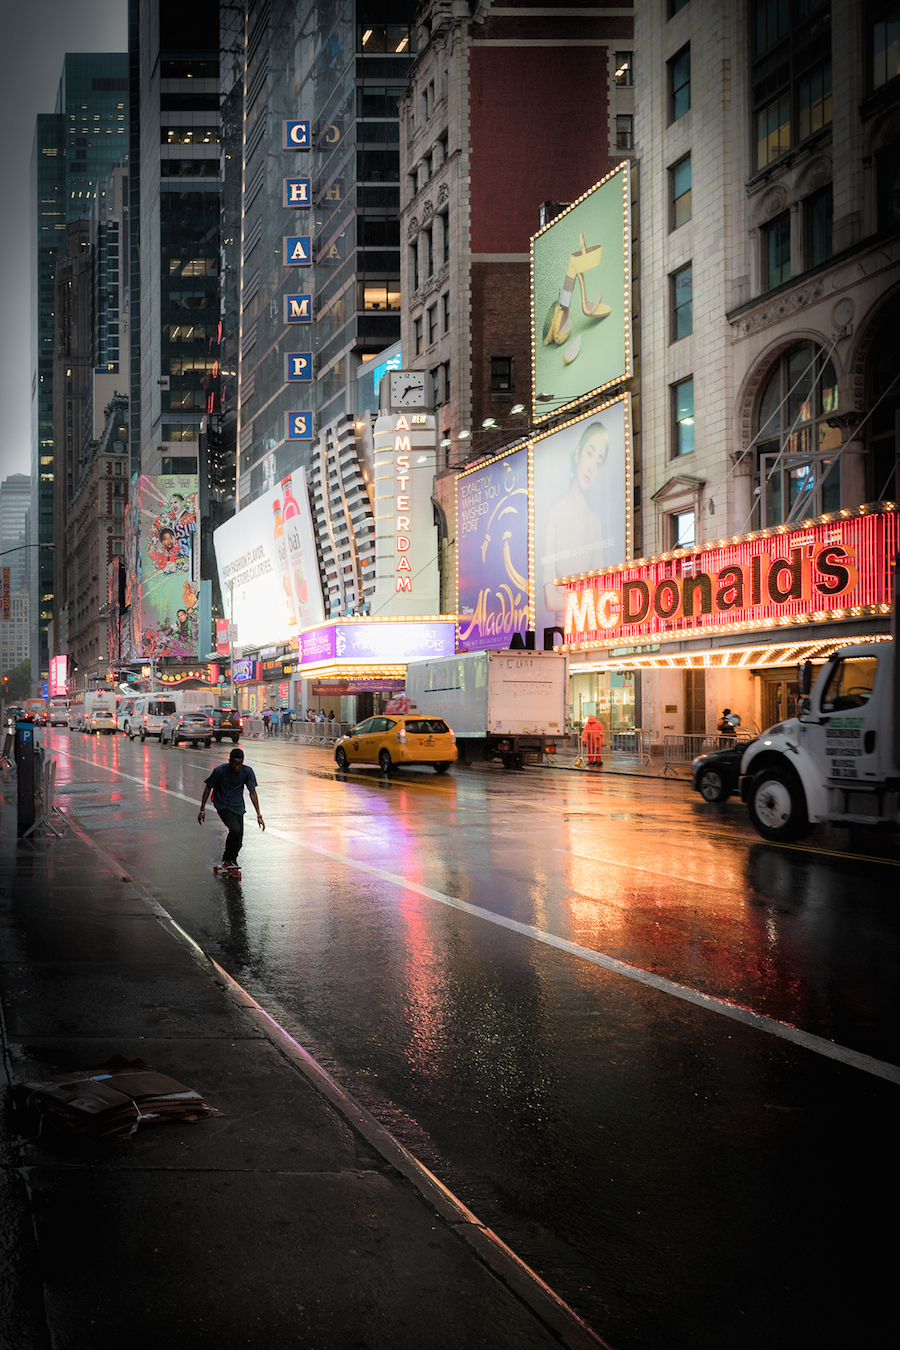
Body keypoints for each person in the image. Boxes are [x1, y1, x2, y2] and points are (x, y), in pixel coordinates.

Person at [542, 422, 611, 626]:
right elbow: (549, 601)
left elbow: (599, 596)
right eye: (589, 454)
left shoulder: (595, 523)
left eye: (599, 462)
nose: (592, 467)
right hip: (560, 635)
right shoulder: (554, 515)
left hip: (588, 631)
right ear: (578, 453)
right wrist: (583, 598)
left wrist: (566, 594)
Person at [198, 746, 264, 872]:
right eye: (234, 763)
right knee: (234, 830)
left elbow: (252, 793)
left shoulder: (247, 771)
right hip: (222, 804)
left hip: (238, 806)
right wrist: (202, 810)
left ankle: (233, 858)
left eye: (239, 764)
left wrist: (259, 815)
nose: (236, 767)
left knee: (239, 839)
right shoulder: (220, 771)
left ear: (242, 762)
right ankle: (226, 859)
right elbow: (208, 788)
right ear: (229, 761)